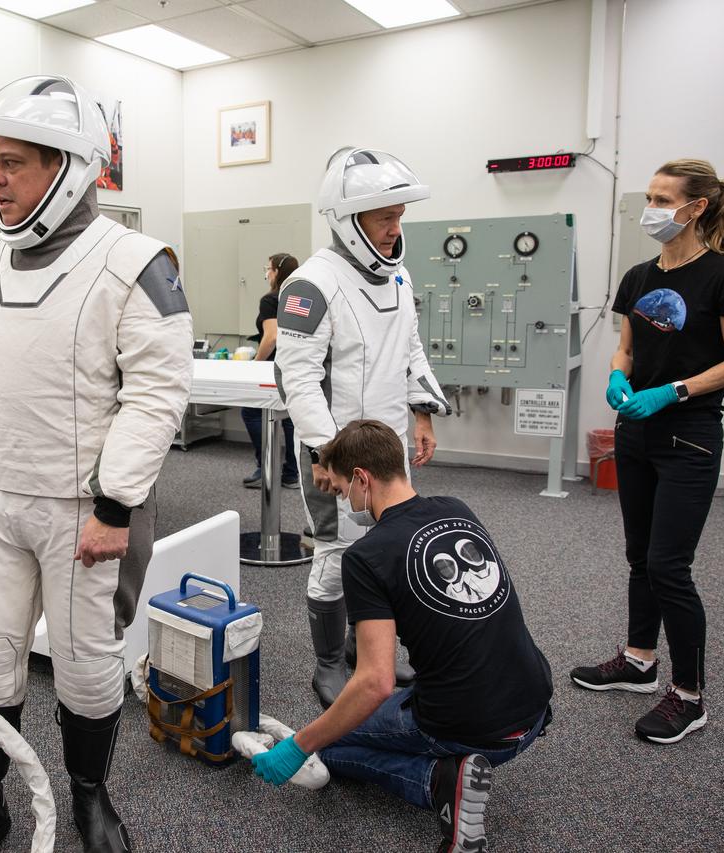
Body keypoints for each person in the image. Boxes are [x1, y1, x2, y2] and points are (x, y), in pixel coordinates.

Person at [0, 75, 193, 853]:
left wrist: (114, 508)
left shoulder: (135, 263)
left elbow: (157, 393)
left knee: (86, 668)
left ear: (67, 168)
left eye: (10, 162)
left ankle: (90, 797)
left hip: (85, 514)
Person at [250, 419, 553, 853]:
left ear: (361, 478)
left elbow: (375, 682)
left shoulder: (366, 557)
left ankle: (441, 782)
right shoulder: (456, 507)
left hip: (472, 724)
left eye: (340, 490)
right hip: (534, 704)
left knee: (327, 749)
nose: (343, 501)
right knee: (346, 723)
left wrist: (299, 745)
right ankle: (450, 765)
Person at [570, 159, 724, 744]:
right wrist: (618, 378)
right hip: (636, 432)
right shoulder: (639, 275)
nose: (650, 208)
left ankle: (690, 695)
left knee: (671, 567)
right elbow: (626, 345)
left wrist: (672, 389)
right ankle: (638, 661)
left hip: (690, 436)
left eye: (661, 198)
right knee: (640, 557)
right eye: (648, 196)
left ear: (696, 208)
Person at [275, 147, 451, 708]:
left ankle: (364, 651)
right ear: (349, 221)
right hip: (334, 454)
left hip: (389, 446)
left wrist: (420, 412)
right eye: (384, 217)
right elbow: (296, 378)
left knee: (385, 548)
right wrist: (327, 456)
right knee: (334, 554)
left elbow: (411, 348)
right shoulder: (310, 284)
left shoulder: (398, 276)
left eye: (399, 215)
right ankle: (328, 664)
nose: (395, 228)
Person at [240, 252, 300, 489]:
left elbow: (272, 336)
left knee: (251, 412)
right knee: (289, 419)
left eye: (268, 268)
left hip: (272, 367)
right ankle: (292, 473)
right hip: (294, 365)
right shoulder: (298, 297)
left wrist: (256, 362)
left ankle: (265, 467)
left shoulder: (271, 299)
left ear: (276, 272)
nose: (266, 273)